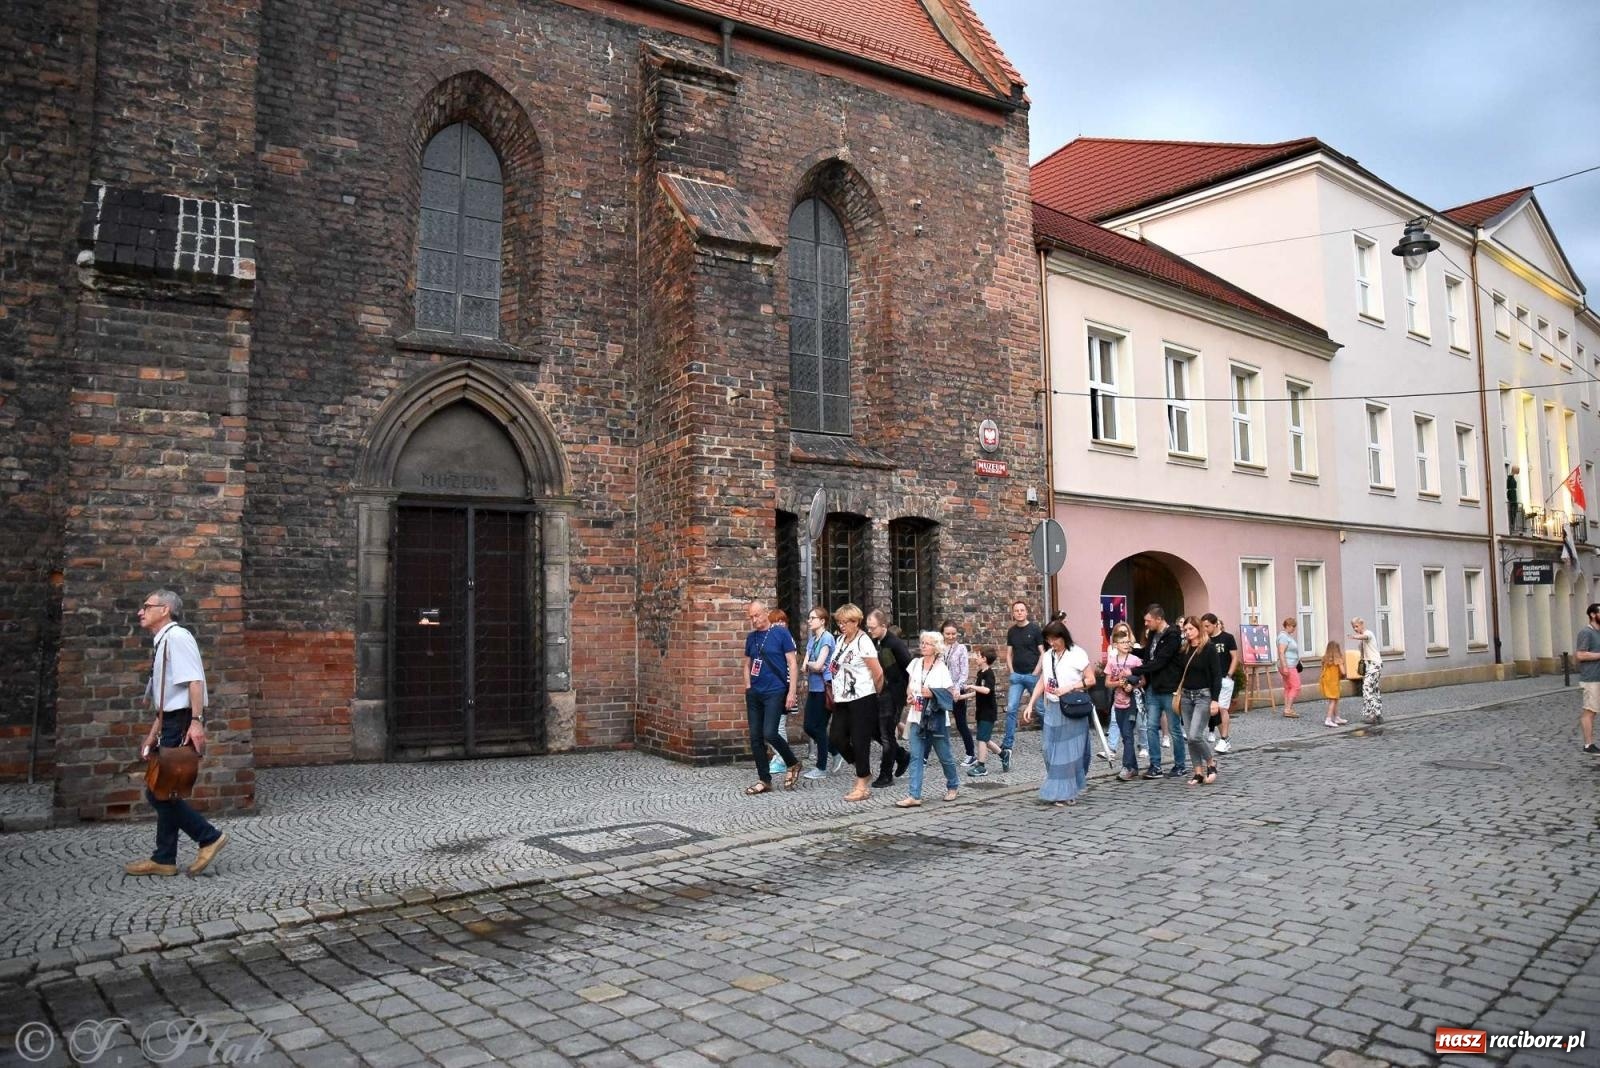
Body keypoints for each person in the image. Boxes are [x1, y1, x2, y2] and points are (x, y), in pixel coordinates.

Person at [126, 589, 228, 877]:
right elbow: (167, 697)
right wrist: (152, 733)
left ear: (165, 609)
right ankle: (164, 858)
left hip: (181, 721)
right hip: (170, 719)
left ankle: (208, 836)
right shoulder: (164, 641)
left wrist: (196, 722)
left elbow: (194, 682)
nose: (140, 612)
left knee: (159, 791)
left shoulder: (177, 638)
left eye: (147, 606)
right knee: (164, 789)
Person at [1022, 620, 1094, 806]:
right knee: (1049, 749)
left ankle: (1066, 792)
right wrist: (1031, 703)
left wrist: (1069, 688)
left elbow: (1091, 679)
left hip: (1071, 708)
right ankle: (1061, 788)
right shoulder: (1047, 656)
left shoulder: (1077, 654)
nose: (1052, 643)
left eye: (1055, 639)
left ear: (1063, 637)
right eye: (1049, 639)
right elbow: (1043, 680)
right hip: (1053, 707)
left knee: (1069, 753)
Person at [896, 631, 961, 807]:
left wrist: (932, 693)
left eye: (928, 643)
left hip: (936, 720)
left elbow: (949, 694)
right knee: (916, 756)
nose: (923, 645)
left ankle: (953, 784)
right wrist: (910, 696)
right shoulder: (915, 664)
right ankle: (914, 795)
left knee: (944, 756)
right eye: (922, 642)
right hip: (917, 716)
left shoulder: (942, 668)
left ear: (936, 647)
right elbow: (911, 686)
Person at [743, 599, 800, 795]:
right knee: (755, 738)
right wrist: (748, 686)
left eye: (757, 615)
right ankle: (764, 779)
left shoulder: (780, 633)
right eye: (751, 617)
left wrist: (791, 692)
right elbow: (747, 664)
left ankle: (792, 762)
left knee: (770, 732)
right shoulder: (751, 638)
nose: (754, 620)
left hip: (775, 691)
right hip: (755, 693)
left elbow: (792, 663)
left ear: (766, 612)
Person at [829, 604, 885, 802]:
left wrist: (874, 694)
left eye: (846, 622)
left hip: (862, 698)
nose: (842, 626)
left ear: (856, 622)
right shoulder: (840, 640)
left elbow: (878, 673)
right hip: (842, 698)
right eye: (839, 622)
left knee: (860, 741)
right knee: (836, 737)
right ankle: (862, 768)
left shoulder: (864, 642)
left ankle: (862, 784)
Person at [1132, 605, 1187, 780]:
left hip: (1169, 688)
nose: (1146, 624)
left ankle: (1180, 765)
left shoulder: (1173, 636)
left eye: (1148, 620)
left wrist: (1135, 671)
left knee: (1174, 729)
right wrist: (1127, 649)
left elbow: (1161, 661)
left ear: (1158, 619)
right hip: (1153, 689)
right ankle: (1155, 766)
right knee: (1151, 727)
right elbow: (1148, 656)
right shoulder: (1153, 635)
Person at [866, 610, 912, 787]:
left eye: (873, 628)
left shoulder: (895, 644)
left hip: (894, 693)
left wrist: (908, 690)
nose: (870, 631)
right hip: (879, 691)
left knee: (886, 734)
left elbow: (909, 668)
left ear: (883, 626)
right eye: (868, 628)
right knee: (873, 729)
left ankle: (886, 775)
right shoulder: (874, 641)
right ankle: (901, 755)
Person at [1175, 616, 1222, 785]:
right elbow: (1180, 672)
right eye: (1185, 630)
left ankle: (1210, 762)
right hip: (1187, 696)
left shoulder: (1209, 648)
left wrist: (1215, 700)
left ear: (1199, 629)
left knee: (1195, 735)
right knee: (1190, 736)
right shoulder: (1184, 649)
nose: (1187, 632)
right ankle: (1198, 772)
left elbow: (1217, 676)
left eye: (1191, 629)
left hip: (1203, 695)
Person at [1001, 600, 1044, 773]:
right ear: (1013, 613)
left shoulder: (1034, 629)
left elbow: (1042, 653)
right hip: (1017, 676)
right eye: (1016, 611)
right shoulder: (1011, 631)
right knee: (1011, 708)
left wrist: (1036, 671)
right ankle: (1008, 744)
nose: (1019, 613)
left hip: (1032, 676)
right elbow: (1009, 653)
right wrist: (1011, 670)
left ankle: (1049, 741)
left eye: (1022, 610)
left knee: (1040, 709)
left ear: (1026, 612)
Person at [800, 606, 838, 779]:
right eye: (809, 618)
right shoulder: (813, 639)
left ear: (822, 621)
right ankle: (835, 750)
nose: (809, 621)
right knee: (809, 726)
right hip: (814, 688)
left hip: (825, 688)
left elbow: (818, 664)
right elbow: (807, 666)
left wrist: (814, 665)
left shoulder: (827, 638)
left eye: (812, 618)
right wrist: (814, 665)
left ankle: (821, 767)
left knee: (819, 727)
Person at [1102, 623, 1142, 782]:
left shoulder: (1135, 660)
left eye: (1128, 642)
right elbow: (1107, 683)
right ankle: (1134, 767)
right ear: (1115, 645)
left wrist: (1133, 685)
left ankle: (1126, 767)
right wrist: (1118, 683)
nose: (1126, 645)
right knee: (1126, 737)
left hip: (1132, 702)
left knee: (1127, 733)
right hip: (1118, 702)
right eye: (1123, 642)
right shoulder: (1112, 661)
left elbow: (1143, 681)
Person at [1201, 613, 1240, 752]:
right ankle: (1225, 737)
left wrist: (1229, 674)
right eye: (1203, 626)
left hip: (1224, 678)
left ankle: (1223, 739)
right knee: (1214, 711)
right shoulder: (1205, 640)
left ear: (1215, 624)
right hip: (1209, 679)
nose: (1205, 629)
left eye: (1207, 626)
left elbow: (1234, 657)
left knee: (1222, 707)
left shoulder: (1227, 638)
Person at [941, 620, 976, 766]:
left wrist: (956, 688)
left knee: (961, 723)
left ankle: (970, 753)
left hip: (956, 690)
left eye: (953, 634)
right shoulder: (939, 648)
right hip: (941, 689)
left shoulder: (961, 649)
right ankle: (924, 756)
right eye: (947, 633)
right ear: (942, 633)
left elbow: (964, 672)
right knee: (934, 722)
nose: (950, 636)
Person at [965, 646, 1000, 776]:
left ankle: (981, 766)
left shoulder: (989, 674)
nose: (976, 658)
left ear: (984, 659)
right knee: (985, 739)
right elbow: (978, 691)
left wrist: (971, 685)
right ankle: (1003, 754)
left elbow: (986, 690)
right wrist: (963, 697)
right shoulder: (981, 673)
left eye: (978, 656)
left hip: (988, 712)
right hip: (981, 711)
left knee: (981, 738)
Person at [1574, 603, 1600, 754]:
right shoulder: (1586, 632)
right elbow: (1580, 655)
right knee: (1590, 710)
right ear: (1592, 614)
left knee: (1594, 710)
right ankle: (1588, 745)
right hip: (1591, 678)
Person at [1349, 617, 1383, 725]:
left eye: (1356, 626)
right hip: (1371, 666)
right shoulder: (1363, 641)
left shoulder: (1368, 633)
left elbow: (1365, 636)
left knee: (1367, 688)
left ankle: (1373, 715)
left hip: (1374, 665)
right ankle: (1377, 714)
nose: (1355, 628)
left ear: (1362, 624)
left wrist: (1355, 637)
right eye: (1353, 627)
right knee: (1374, 690)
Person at [1275, 618, 1302, 719]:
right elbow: (1281, 652)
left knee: (1288, 687)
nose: (1294, 629)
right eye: (1293, 626)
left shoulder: (1286, 636)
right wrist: (1285, 666)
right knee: (1296, 686)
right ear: (1288, 626)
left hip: (1289, 664)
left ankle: (1287, 708)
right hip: (1288, 665)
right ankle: (1288, 709)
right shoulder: (1283, 637)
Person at [1319, 640, 1348, 728]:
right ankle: (1328, 719)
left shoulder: (1325, 659)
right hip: (1333, 682)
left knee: (1334, 700)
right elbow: (1343, 672)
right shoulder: (1338, 660)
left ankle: (1337, 717)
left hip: (1326, 681)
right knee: (1333, 701)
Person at [1507, 464, 1522, 534]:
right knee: (1513, 509)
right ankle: (1512, 524)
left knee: (1514, 509)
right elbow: (1508, 487)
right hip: (1512, 495)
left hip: (1513, 494)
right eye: (1517, 470)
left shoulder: (1512, 477)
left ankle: (1513, 524)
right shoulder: (1510, 477)